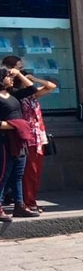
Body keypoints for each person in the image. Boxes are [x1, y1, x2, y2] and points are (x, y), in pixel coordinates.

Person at [2, 55, 56, 216]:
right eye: (19, 67)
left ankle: (25, 203)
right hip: (22, 135)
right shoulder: (12, 94)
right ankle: (27, 202)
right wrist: (15, 75)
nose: (22, 70)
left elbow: (48, 87)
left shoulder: (25, 92)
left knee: (27, 172)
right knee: (20, 173)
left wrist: (30, 77)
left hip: (36, 135)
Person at [0, 65, 40, 220]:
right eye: (7, 76)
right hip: (4, 140)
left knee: (18, 174)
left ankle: (19, 205)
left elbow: (32, 90)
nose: (11, 79)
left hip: (18, 139)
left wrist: (19, 74)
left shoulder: (13, 94)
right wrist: (14, 124)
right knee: (3, 174)